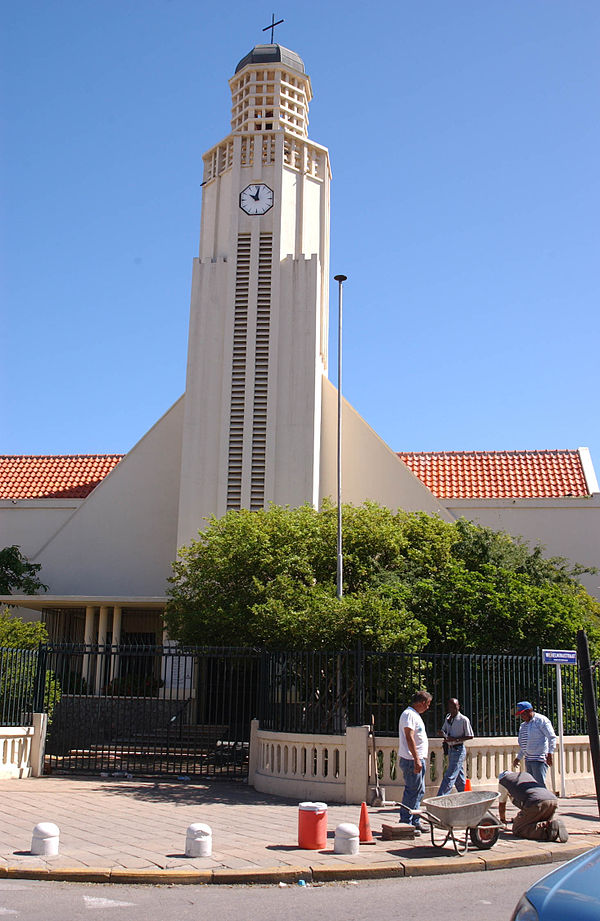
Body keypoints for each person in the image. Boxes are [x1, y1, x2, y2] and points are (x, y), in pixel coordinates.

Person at [498, 770, 568, 842]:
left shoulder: (503, 782)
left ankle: (547, 830)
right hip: (552, 800)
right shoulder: (524, 775)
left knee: (518, 829)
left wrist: (503, 820)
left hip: (535, 803)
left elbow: (502, 805)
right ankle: (551, 825)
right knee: (534, 821)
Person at [398, 689, 432, 834]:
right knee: (412, 791)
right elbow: (409, 736)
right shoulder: (409, 715)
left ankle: (415, 820)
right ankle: (406, 822)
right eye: (428, 704)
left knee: (419, 790)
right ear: (422, 703)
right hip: (412, 760)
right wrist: (416, 758)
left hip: (417, 759)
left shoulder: (414, 715)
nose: (428, 707)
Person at [513, 701, 556, 787]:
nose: (522, 717)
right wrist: (518, 758)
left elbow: (551, 737)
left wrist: (550, 753)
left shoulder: (541, 721)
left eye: (523, 714)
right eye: (520, 715)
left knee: (539, 785)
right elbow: (523, 744)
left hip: (539, 759)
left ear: (529, 711)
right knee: (531, 785)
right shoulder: (523, 725)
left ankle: (544, 800)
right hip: (528, 759)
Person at [436, 698, 474, 796]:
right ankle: (466, 796)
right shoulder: (448, 718)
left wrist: (455, 739)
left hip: (458, 749)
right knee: (459, 777)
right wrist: (442, 734)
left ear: (458, 707)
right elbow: (444, 730)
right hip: (451, 749)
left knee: (450, 775)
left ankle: (441, 797)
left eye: (455, 706)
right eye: (451, 707)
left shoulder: (463, 719)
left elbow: (470, 735)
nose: (453, 709)